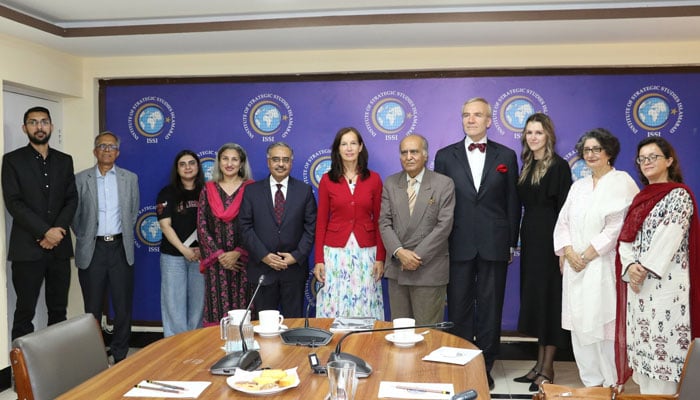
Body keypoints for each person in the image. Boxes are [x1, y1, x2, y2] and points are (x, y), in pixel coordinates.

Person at [434, 97, 520, 389]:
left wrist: (511, 243)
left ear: (489, 121)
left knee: (490, 307)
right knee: (458, 308)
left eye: (477, 115)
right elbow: (440, 205)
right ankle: (461, 363)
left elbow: (512, 202)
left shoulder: (506, 156)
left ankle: (485, 365)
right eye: (466, 115)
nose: (471, 120)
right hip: (457, 243)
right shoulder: (445, 156)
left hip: (495, 244)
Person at [553, 128, 638, 387]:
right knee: (579, 327)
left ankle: (612, 384)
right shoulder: (578, 186)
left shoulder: (622, 181)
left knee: (603, 326)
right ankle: (591, 384)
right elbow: (563, 222)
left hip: (601, 264)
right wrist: (568, 252)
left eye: (596, 149)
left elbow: (617, 226)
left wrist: (586, 256)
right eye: (586, 150)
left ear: (609, 152)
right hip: (575, 267)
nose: (590, 155)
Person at [614, 137, 700, 395]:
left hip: (667, 290)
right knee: (645, 353)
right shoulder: (641, 197)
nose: (647, 162)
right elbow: (625, 239)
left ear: (669, 161)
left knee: (667, 355)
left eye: (654, 157)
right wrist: (629, 267)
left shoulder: (679, 195)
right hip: (639, 290)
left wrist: (642, 269)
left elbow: (669, 237)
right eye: (642, 159)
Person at [1, 106, 78, 340]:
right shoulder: (12, 161)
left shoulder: (65, 161)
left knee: (58, 311)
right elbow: (14, 203)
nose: (39, 127)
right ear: (25, 128)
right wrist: (45, 232)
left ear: (51, 126)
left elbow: (71, 199)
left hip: (59, 250)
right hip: (27, 250)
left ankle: (57, 369)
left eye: (44, 122)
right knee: (25, 311)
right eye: (33, 122)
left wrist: (58, 232)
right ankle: (20, 372)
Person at [513, 113, 572, 391]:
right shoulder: (526, 164)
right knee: (537, 301)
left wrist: (561, 248)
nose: (533, 137)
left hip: (551, 239)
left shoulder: (559, 167)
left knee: (550, 302)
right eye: (529, 132)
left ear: (548, 135)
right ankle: (537, 365)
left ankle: (548, 369)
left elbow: (564, 211)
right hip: (532, 238)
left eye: (538, 132)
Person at [73, 131, 140, 363]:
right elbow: (74, 216)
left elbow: (132, 212)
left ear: (118, 152)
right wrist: (85, 236)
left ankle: (120, 355)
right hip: (93, 249)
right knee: (91, 308)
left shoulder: (129, 178)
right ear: (95, 151)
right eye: (102, 146)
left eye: (111, 147)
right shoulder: (81, 179)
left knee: (122, 306)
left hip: (121, 248)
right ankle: (95, 356)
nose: (107, 150)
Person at [379, 134, 455, 325]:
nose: (409, 157)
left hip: (428, 270)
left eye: (414, 151)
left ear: (426, 155)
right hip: (398, 270)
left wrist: (415, 257)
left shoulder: (443, 184)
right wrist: (400, 253)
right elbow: (384, 222)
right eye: (404, 152)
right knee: (400, 334)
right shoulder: (390, 183)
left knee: (428, 334)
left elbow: (443, 226)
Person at [313, 127, 385, 319]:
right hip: (335, 252)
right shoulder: (327, 180)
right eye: (344, 144)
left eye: (353, 143)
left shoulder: (375, 179)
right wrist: (319, 259)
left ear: (361, 147)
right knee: (335, 299)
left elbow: (380, 221)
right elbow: (321, 222)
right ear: (337, 149)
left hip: (366, 253)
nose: (349, 148)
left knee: (365, 299)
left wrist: (380, 257)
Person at [239, 142, 317, 318]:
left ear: (291, 163)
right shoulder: (252, 191)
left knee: (293, 324)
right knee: (264, 326)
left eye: (285, 160)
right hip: (262, 269)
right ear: (268, 162)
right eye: (276, 159)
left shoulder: (304, 191)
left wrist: (296, 256)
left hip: (293, 271)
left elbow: (311, 227)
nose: (280, 164)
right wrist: (264, 256)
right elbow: (244, 227)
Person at [197, 142, 253, 325]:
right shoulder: (208, 189)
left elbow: (256, 224)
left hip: (243, 262)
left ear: (241, 163)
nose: (229, 164)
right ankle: (217, 351)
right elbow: (202, 225)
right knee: (217, 310)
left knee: (244, 310)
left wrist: (238, 252)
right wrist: (220, 256)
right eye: (225, 159)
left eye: (234, 159)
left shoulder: (251, 189)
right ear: (219, 162)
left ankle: (245, 349)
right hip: (216, 263)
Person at [156, 150, 205, 337]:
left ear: (198, 167)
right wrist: (184, 250)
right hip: (173, 256)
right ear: (177, 169)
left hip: (200, 256)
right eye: (182, 164)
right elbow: (165, 225)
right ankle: (175, 346)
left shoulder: (206, 191)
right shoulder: (167, 192)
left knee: (198, 305)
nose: (187, 167)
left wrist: (202, 249)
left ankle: (194, 343)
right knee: (173, 304)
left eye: (191, 163)